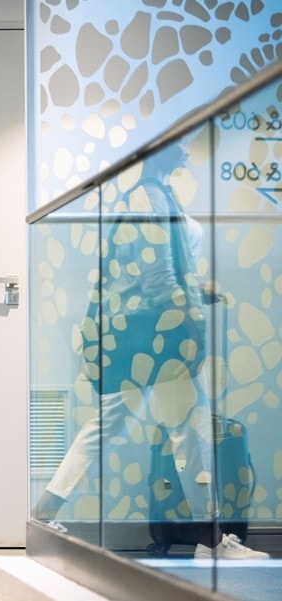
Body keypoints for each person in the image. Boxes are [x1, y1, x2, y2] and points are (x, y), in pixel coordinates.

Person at [31, 140, 267, 560]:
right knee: (191, 432)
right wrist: (188, 318)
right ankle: (210, 542)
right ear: (160, 149)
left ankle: (44, 512)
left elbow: (157, 270)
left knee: (108, 428)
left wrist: (198, 290)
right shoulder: (150, 196)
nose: (187, 149)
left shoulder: (154, 193)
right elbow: (157, 276)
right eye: (180, 142)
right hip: (162, 334)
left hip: (141, 334)